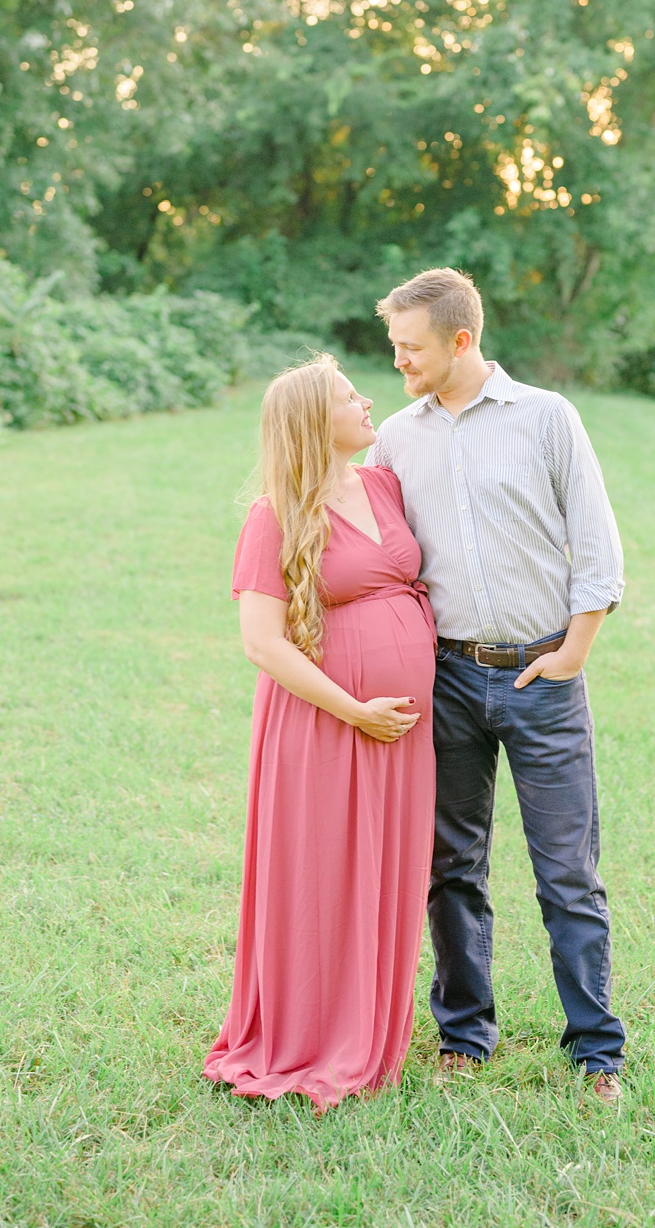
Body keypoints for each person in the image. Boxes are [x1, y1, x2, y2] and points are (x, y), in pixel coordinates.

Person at [368, 267, 628, 1102]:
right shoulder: (396, 440)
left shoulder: (547, 418)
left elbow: (596, 544)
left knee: (567, 874)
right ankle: (464, 1035)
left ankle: (596, 1051)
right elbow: (373, 555)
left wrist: (575, 650)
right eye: (394, 348)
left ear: (461, 340)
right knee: (452, 865)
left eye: (411, 349)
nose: (399, 364)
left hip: (544, 673)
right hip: (444, 677)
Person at [206, 354, 437, 1108]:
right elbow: (262, 643)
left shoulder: (383, 484)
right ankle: (310, 1038)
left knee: (385, 874)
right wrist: (354, 708)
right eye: (349, 396)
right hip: (325, 727)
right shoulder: (274, 514)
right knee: (322, 877)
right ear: (315, 422)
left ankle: (371, 1031)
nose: (367, 401)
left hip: (400, 737)